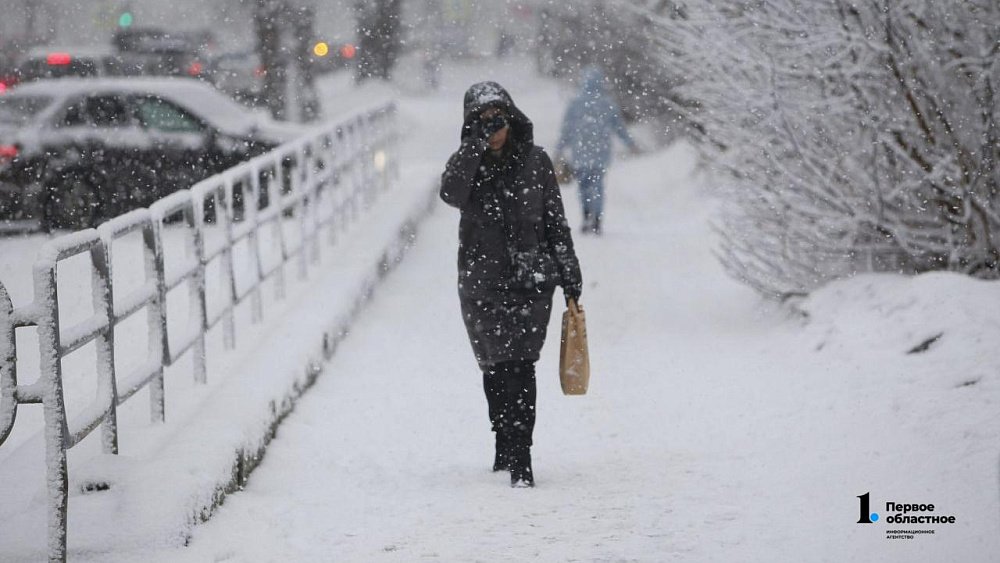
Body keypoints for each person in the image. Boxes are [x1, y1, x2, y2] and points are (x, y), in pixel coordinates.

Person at [440, 81, 583, 488]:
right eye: (484, 122)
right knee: (495, 367)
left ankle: (522, 456)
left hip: (531, 281)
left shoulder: (536, 162)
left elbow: (555, 222)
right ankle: (503, 438)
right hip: (481, 281)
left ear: (513, 118)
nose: (495, 129)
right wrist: (474, 148)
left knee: (521, 364)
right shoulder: (466, 165)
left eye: (500, 119)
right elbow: (450, 194)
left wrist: (569, 270)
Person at [556, 66, 639, 235]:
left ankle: (586, 215)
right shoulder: (607, 104)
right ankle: (597, 219)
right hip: (600, 153)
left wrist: (559, 149)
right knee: (598, 186)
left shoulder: (575, 104)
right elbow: (619, 128)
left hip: (580, 152)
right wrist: (631, 144)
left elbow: (567, 129)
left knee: (583, 186)